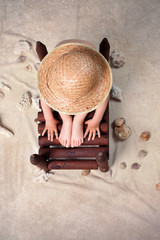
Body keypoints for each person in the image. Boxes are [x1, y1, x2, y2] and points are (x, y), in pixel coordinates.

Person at [38, 39, 112, 148]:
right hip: (63, 61)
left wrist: (96, 121)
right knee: (59, 93)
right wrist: (49, 119)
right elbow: (43, 93)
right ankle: (67, 121)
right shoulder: (59, 75)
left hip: (87, 65)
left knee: (85, 92)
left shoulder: (88, 76)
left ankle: (78, 120)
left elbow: (104, 96)